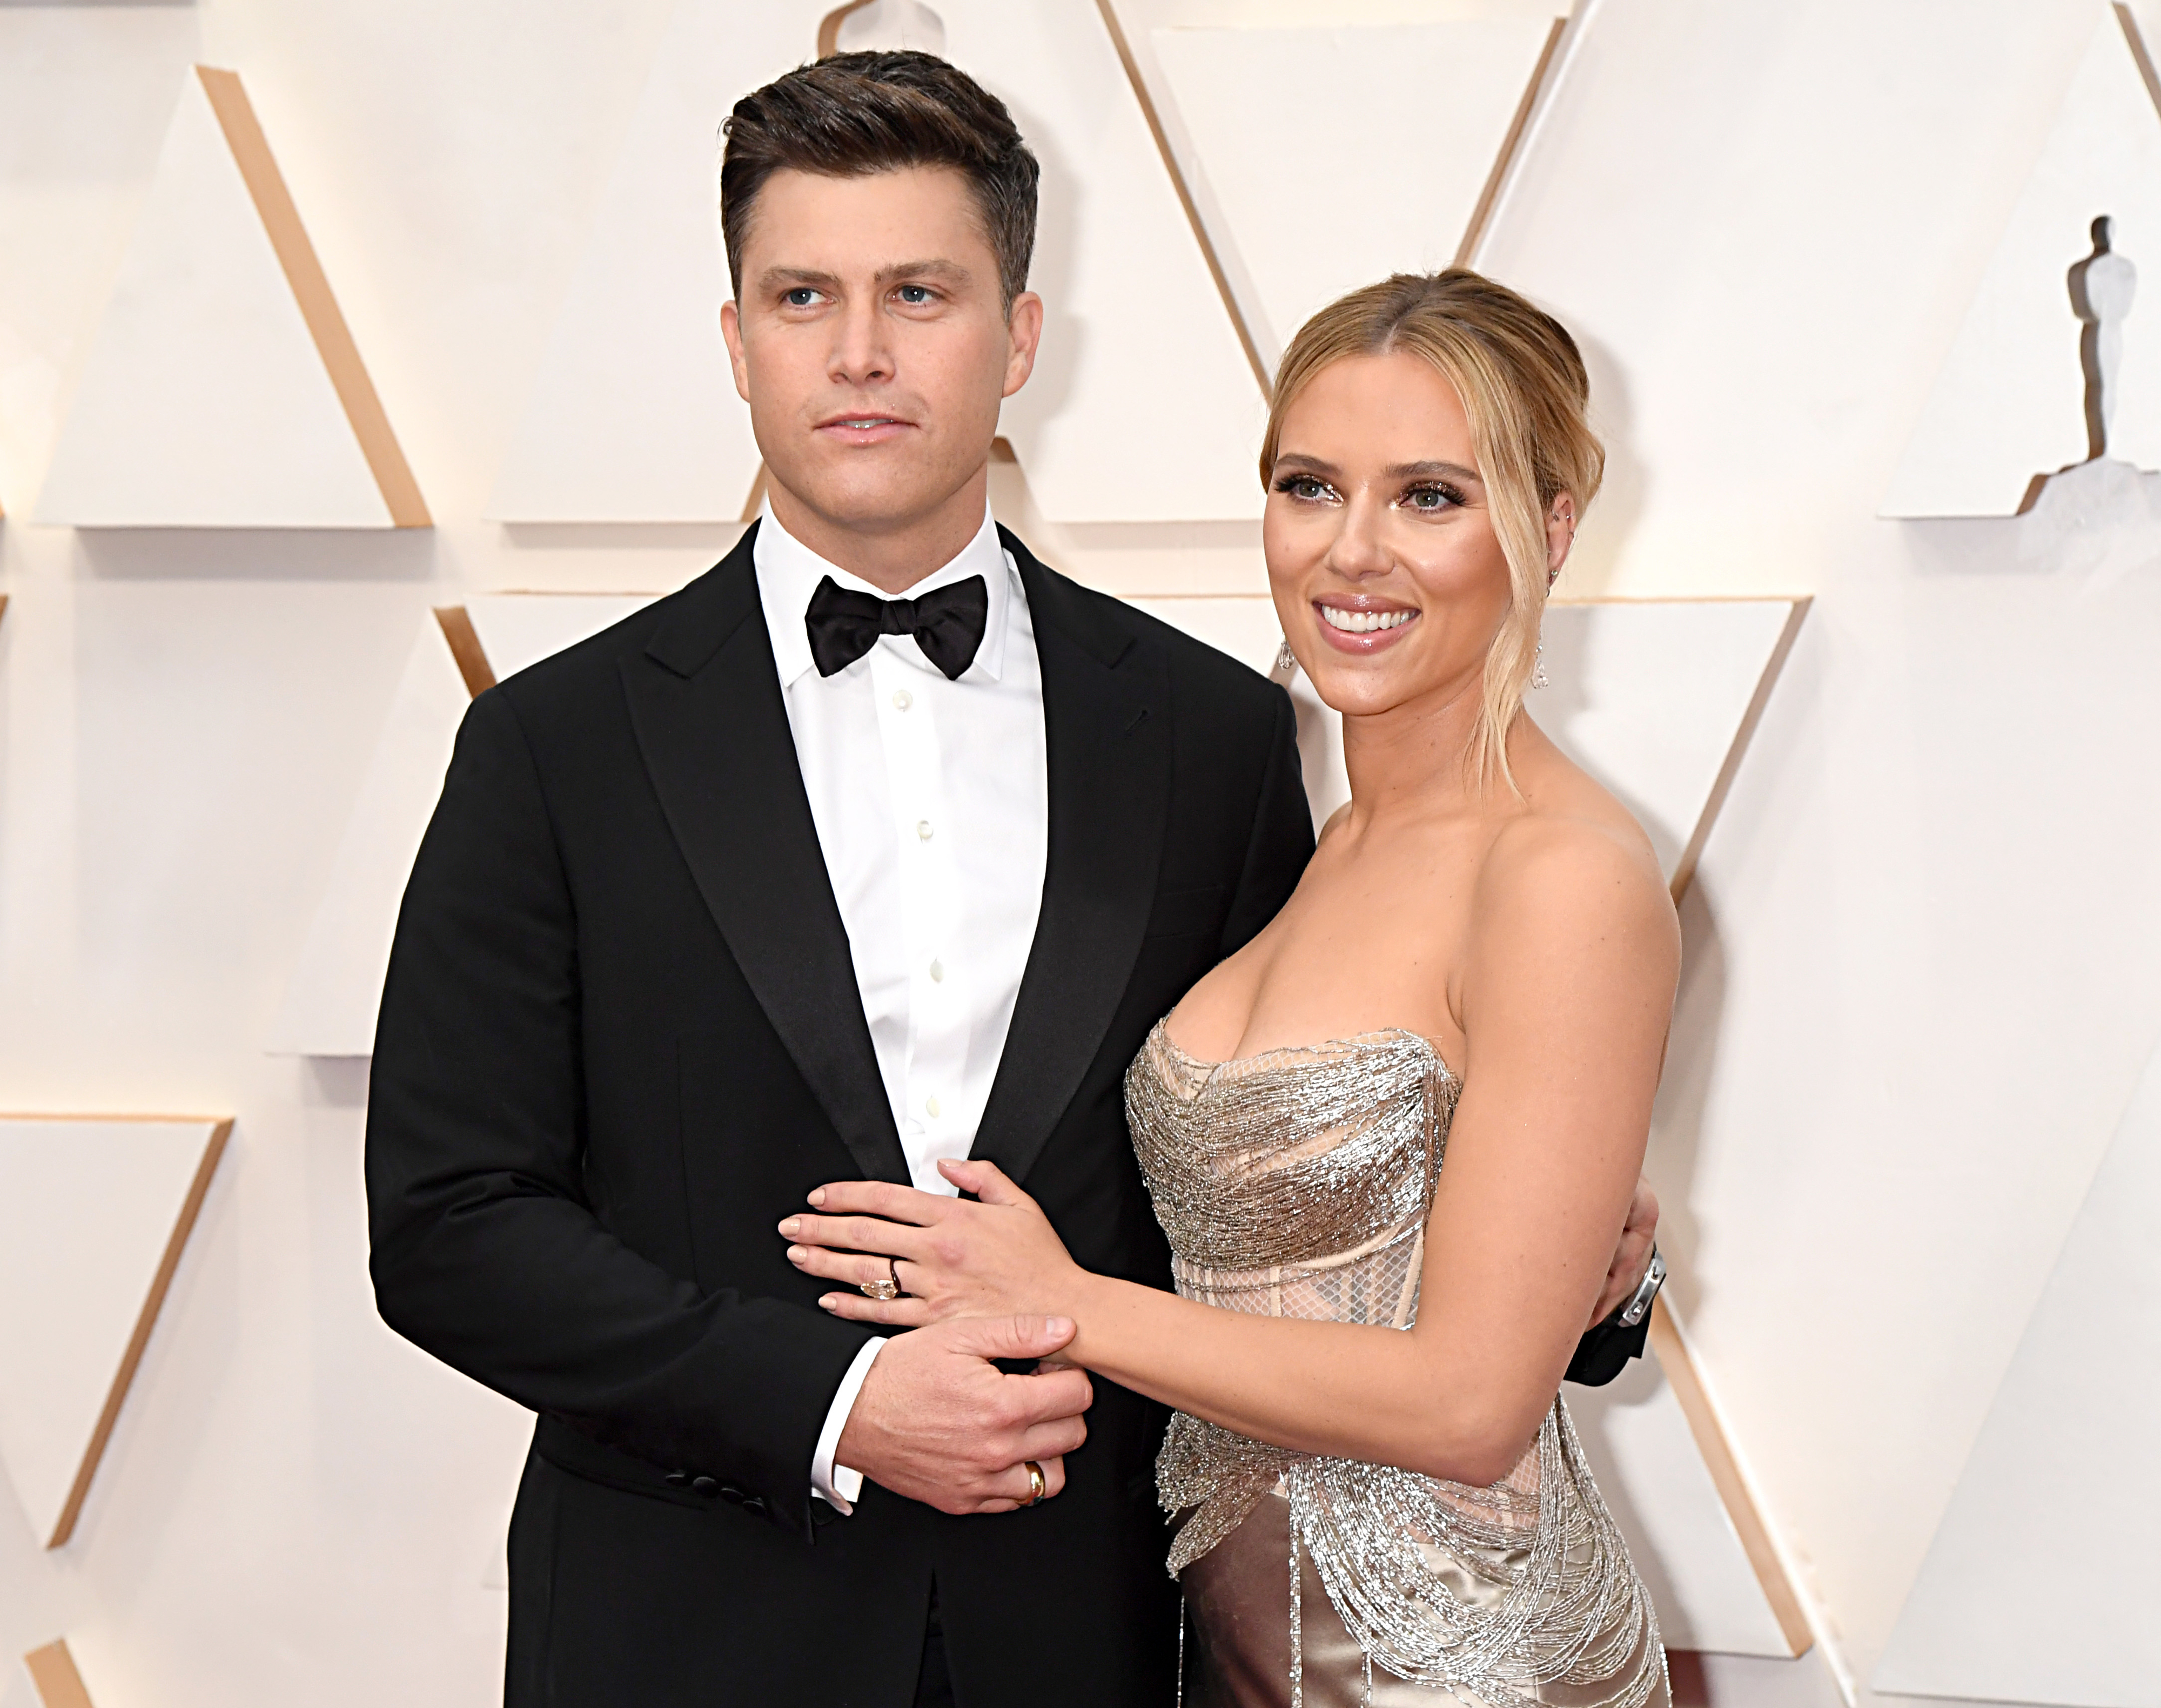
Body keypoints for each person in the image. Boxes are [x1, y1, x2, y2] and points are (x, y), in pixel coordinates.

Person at [365, 51, 1659, 1708]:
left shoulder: (1211, 734)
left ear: (1020, 336)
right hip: (685, 1631)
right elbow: (449, 1225)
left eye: (920, 291)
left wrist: (1578, 1267)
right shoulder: (552, 747)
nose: (858, 352)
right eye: (800, 297)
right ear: (735, 341)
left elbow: (1293, 1148)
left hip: (1090, 1634)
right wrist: (833, 1401)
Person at [780, 270, 1675, 1707]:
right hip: (1232, 1658)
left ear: (1550, 527)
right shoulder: (1318, 835)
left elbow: (1466, 1402)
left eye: (1432, 496)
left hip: (1462, 1671)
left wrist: (1059, 1303)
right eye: (1310, 485)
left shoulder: (1562, 873)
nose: (1355, 552)